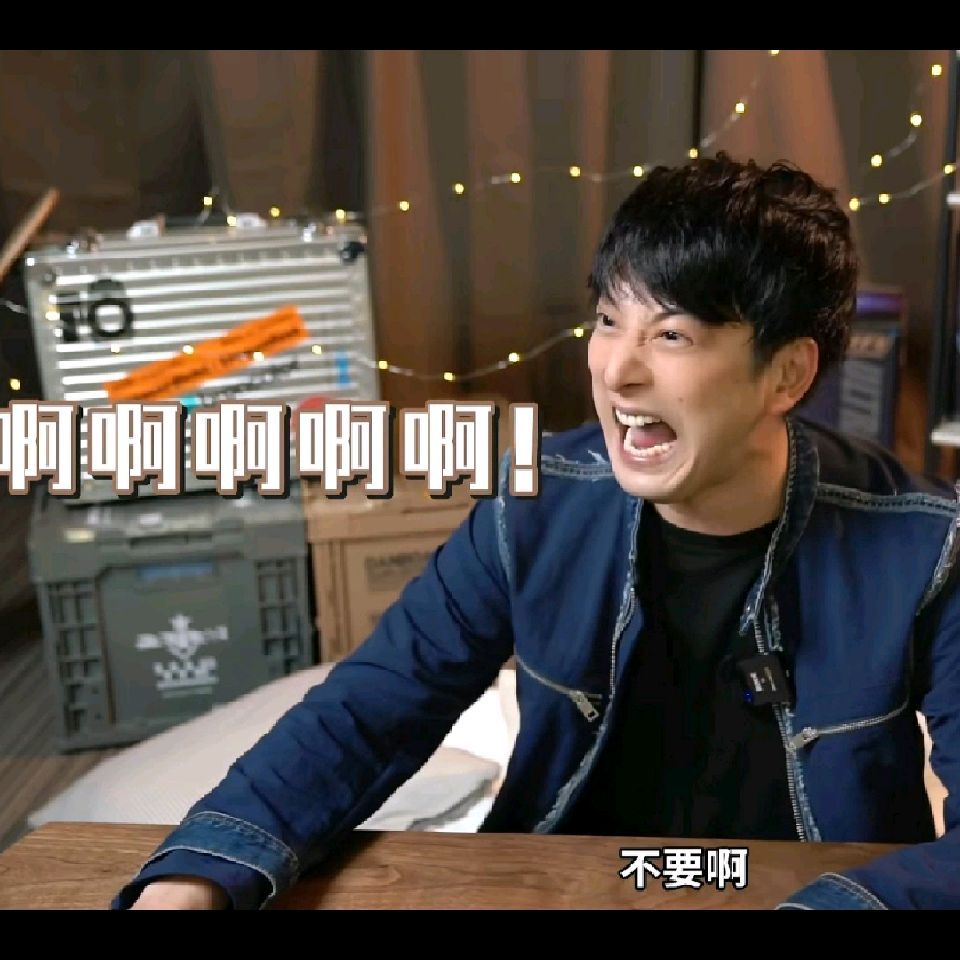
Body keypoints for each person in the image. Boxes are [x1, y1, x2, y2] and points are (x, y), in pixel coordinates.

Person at [118, 152, 959, 911]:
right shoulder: (534, 505)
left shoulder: (925, 545)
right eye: (608, 320)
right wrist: (200, 872)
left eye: (671, 335)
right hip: (567, 882)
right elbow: (372, 708)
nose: (616, 369)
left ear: (787, 373)